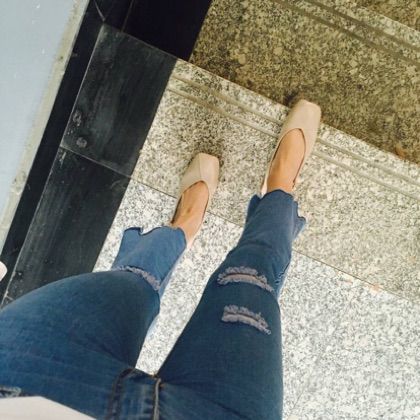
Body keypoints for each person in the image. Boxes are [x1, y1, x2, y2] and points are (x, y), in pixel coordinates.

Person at [0, 99, 321, 419]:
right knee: (252, 277)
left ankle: (183, 226)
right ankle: (279, 188)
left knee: (132, 281)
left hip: (22, 385)